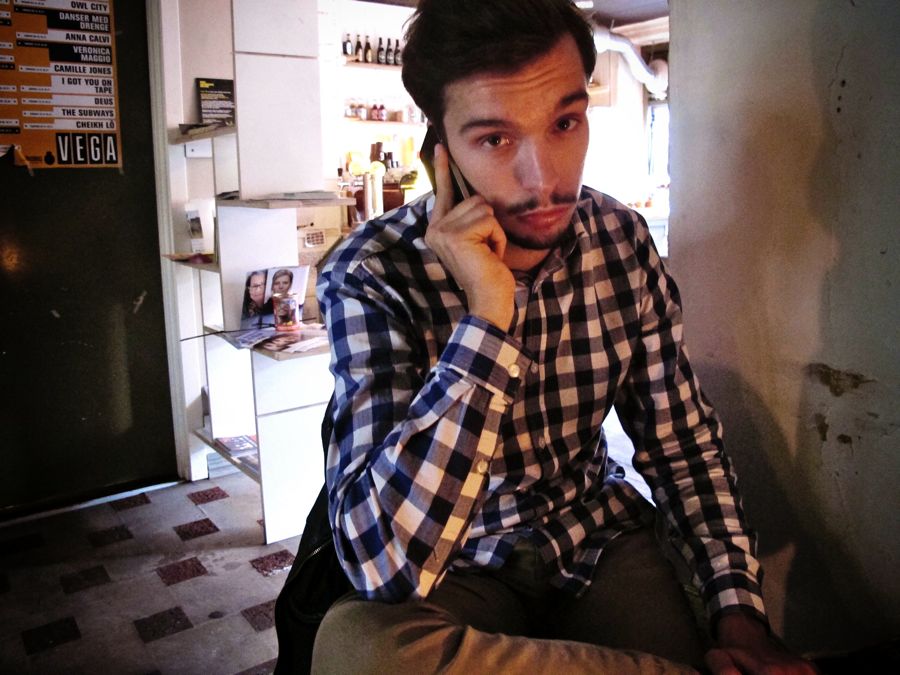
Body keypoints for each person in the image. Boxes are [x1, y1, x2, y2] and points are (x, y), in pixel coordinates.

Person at [313, 1, 817, 673]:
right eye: (495, 139)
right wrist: (487, 317)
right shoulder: (372, 272)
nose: (544, 178)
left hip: (595, 542)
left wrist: (741, 614)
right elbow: (383, 566)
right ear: (440, 152)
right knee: (357, 654)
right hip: (455, 564)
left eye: (564, 123)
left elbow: (681, 445)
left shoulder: (619, 240)